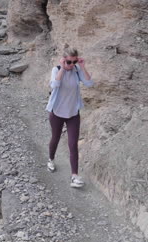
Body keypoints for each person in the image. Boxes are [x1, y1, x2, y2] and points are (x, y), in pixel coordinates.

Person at [46, 47, 94, 188]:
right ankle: (51, 159)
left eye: (74, 62)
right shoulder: (56, 70)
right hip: (57, 112)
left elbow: (90, 83)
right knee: (55, 137)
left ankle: (74, 176)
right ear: (63, 60)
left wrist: (83, 67)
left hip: (73, 113)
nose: (71, 65)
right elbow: (54, 85)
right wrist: (62, 68)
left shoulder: (77, 71)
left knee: (73, 144)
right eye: (68, 62)